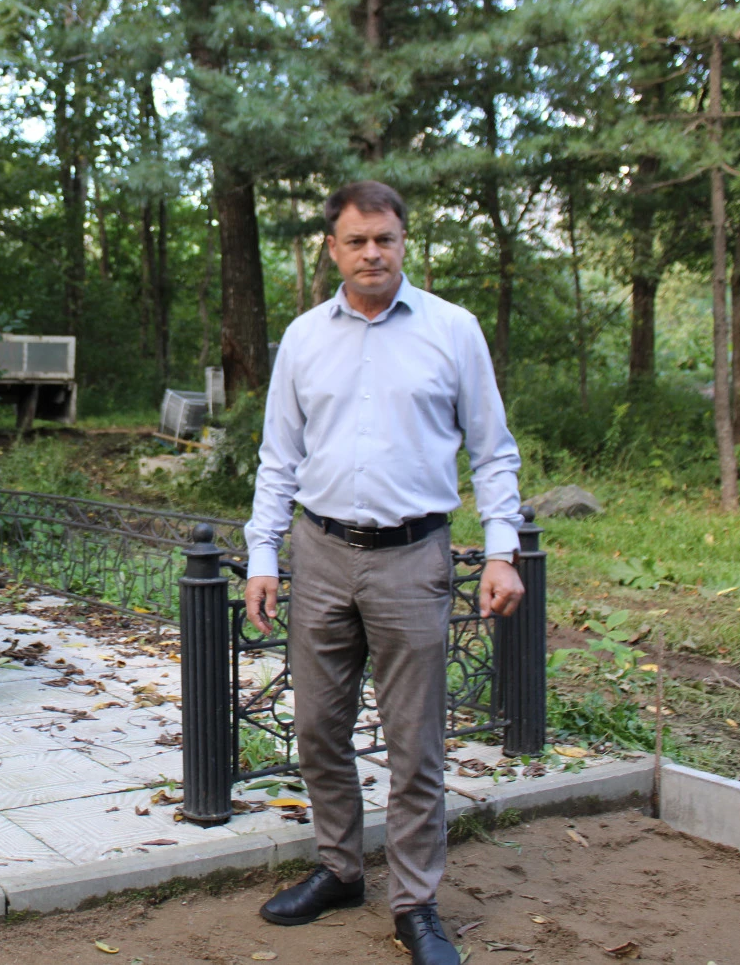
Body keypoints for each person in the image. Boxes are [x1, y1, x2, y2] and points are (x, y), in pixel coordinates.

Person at [242, 180, 525, 965]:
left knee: (415, 743)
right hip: (321, 555)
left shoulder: (453, 331)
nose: (373, 253)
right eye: (357, 240)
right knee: (318, 729)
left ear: (405, 243)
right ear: (331, 248)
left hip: (413, 558)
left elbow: (493, 450)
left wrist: (501, 551)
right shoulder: (303, 338)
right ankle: (339, 867)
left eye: (386, 239)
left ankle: (416, 903)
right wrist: (263, 556)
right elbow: (279, 458)